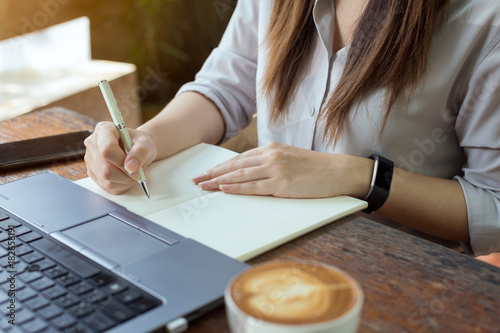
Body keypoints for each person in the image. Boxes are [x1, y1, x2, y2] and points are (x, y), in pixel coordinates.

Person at [84, 0, 500, 256]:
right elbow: (224, 86)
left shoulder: (485, 20)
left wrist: (359, 176)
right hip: (259, 247)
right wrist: (146, 139)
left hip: (394, 273)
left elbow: (493, 209)